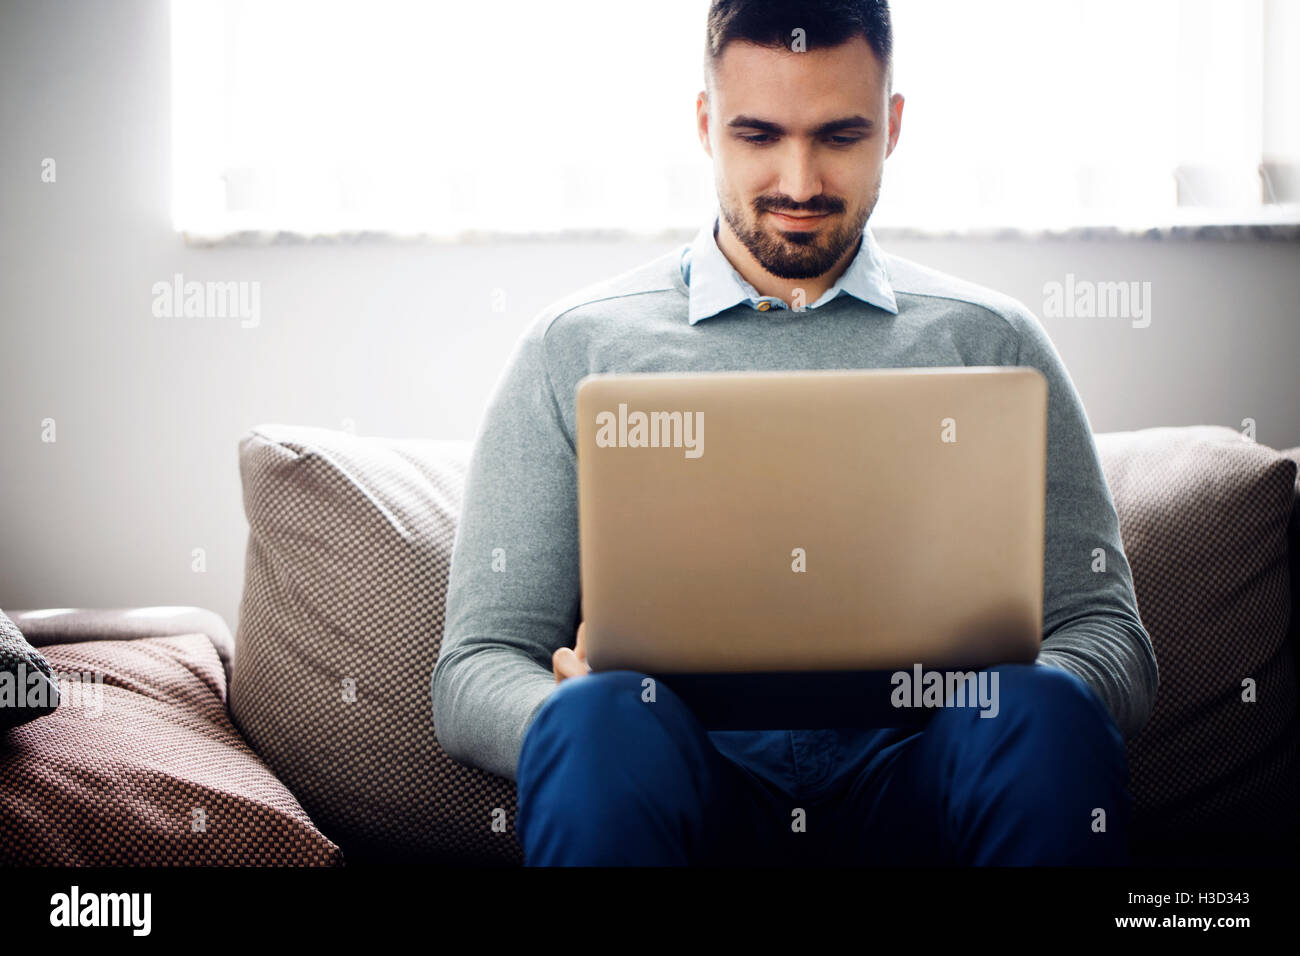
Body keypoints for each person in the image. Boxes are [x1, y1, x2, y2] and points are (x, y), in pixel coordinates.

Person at [431, 0, 1158, 866]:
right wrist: (561, 711)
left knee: (1034, 708)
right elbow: (475, 667)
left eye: (840, 136)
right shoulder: (574, 349)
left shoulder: (989, 343)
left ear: (892, 126)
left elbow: (1109, 637)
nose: (801, 183)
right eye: (760, 135)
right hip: (682, 788)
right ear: (706, 125)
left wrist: (1013, 693)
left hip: (925, 790)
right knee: (594, 721)